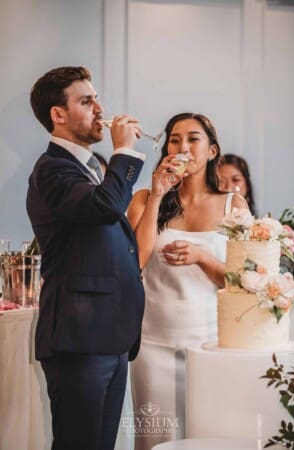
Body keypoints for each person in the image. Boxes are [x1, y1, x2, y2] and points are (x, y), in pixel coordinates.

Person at [26, 66, 145, 450]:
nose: (99, 109)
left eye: (96, 98)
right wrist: (124, 150)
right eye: (86, 100)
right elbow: (105, 206)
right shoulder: (52, 170)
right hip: (79, 340)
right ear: (57, 115)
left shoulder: (91, 168)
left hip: (109, 336)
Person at [127, 112, 249, 450]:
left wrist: (203, 257)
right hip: (152, 344)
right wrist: (156, 195)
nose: (183, 147)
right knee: (154, 440)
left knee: (209, 438)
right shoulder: (142, 199)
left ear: (211, 151)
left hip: (211, 344)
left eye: (193, 139)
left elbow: (242, 282)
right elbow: (134, 261)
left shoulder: (232, 204)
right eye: (175, 139)